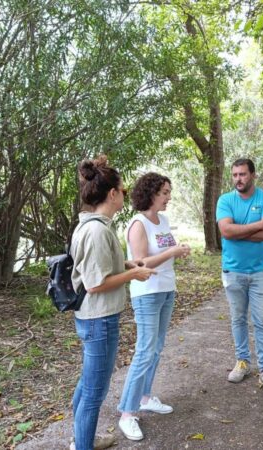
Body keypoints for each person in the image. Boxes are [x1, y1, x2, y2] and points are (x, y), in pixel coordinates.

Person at [70, 156, 155, 450]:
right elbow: (95, 284)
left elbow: (99, 268)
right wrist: (134, 273)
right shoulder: (96, 230)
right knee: (94, 392)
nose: (125, 194)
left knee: (87, 386)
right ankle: (83, 445)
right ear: (112, 194)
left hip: (94, 319)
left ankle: (82, 440)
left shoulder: (95, 225)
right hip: (99, 320)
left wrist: (127, 263)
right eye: (122, 189)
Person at [117, 172, 191, 441]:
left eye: (169, 192)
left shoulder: (164, 220)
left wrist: (178, 251)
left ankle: (145, 396)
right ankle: (127, 412)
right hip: (146, 294)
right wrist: (172, 252)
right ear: (150, 193)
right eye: (164, 193)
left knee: (156, 348)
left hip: (166, 290)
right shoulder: (138, 224)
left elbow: (162, 255)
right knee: (144, 351)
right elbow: (141, 264)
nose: (169, 197)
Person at [216, 158, 263, 394]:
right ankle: (242, 361)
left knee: (262, 321)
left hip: (259, 271)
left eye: (243, 174)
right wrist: (257, 225)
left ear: (253, 175)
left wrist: (236, 232)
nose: (238, 179)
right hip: (233, 270)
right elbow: (225, 230)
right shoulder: (225, 200)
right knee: (237, 319)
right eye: (234, 175)